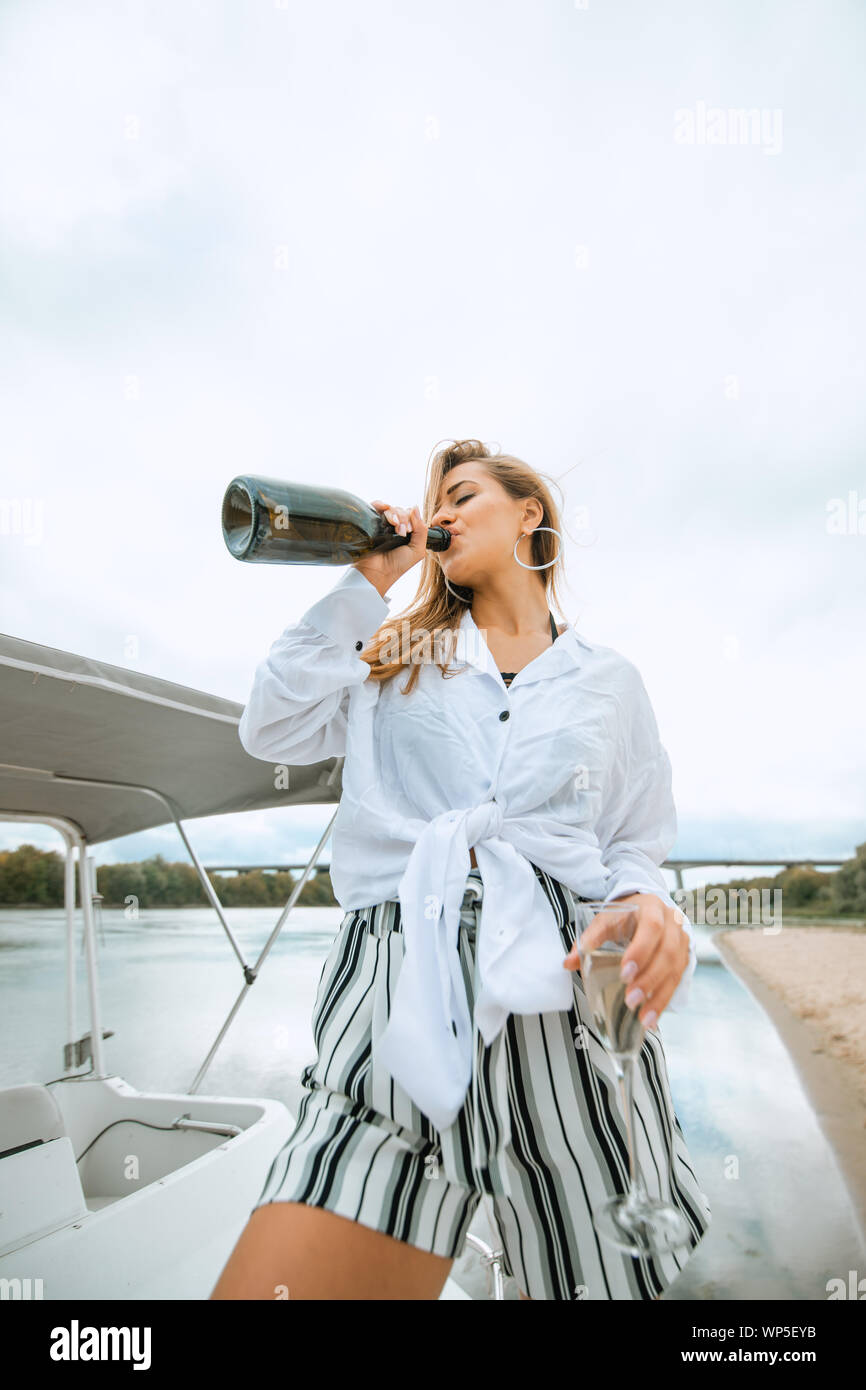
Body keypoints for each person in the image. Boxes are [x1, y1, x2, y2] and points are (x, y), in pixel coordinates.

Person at [210, 438, 712, 1300]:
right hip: (398, 976)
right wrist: (369, 577)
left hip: (578, 986)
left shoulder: (609, 682)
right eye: (432, 500)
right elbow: (272, 728)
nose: (439, 512)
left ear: (531, 513)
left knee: (601, 1277)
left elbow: (634, 840)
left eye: (464, 494)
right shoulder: (390, 651)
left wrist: (646, 904)